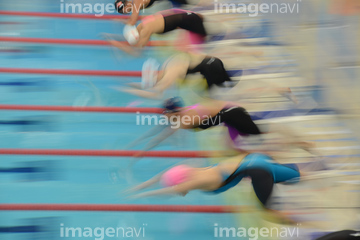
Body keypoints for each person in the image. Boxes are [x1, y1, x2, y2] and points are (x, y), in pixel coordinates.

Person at [125, 152, 300, 210]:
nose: (178, 193)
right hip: (254, 159)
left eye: (177, 190)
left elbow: (166, 191)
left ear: (178, 184)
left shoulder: (192, 183)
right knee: (297, 175)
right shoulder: (187, 170)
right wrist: (137, 188)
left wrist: (142, 195)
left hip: (257, 169)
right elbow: (159, 178)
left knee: (270, 212)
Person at [121, 52, 234, 99]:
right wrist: (132, 84)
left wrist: (129, 91)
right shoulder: (167, 64)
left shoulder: (170, 74)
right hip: (214, 61)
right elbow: (151, 86)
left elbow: (156, 94)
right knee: (229, 86)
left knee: (210, 96)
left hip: (210, 69)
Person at [104, 9, 208, 55]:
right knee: (198, 20)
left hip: (186, 21)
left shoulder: (145, 31)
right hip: (182, 17)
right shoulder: (141, 25)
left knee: (203, 41)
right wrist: (115, 37)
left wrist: (114, 43)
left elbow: (136, 52)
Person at [114, 0, 191, 26]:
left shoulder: (136, 3)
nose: (124, 12)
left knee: (189, 6)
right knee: (187, 6)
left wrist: (120, 21)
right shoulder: (135, 5)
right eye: (122, 12)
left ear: (127, 3)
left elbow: (132, 22)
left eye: (123, 10)